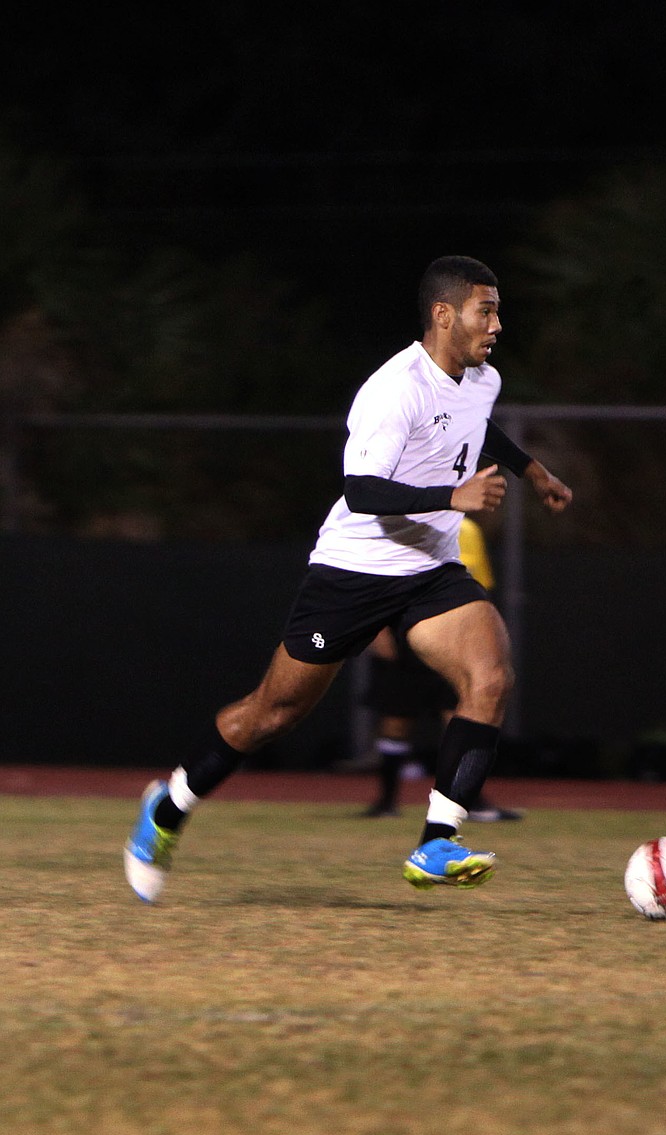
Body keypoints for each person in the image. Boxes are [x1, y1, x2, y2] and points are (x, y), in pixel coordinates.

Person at [124, 254, 572, 903]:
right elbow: (361, 491)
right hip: (354, 571)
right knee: (270, 715)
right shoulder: (393, 390)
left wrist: (534, 472)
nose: (497, 324)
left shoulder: (483, 379)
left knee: (491, 675)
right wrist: (453, 497)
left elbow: (476, 426)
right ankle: (167, 809)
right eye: (486, 310)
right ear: (444, 315)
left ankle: (436, 842)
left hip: (429, 569)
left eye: (498, 310)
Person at [361, 516, 524, 822]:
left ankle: (468, 801)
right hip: (403, 634)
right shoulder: (395, 518)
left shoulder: (468, 529)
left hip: (453, 636)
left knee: (463, 715)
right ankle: (386, 802)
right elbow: (375, 577)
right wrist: (377, 629)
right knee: (396, 720)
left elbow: (479, 585)